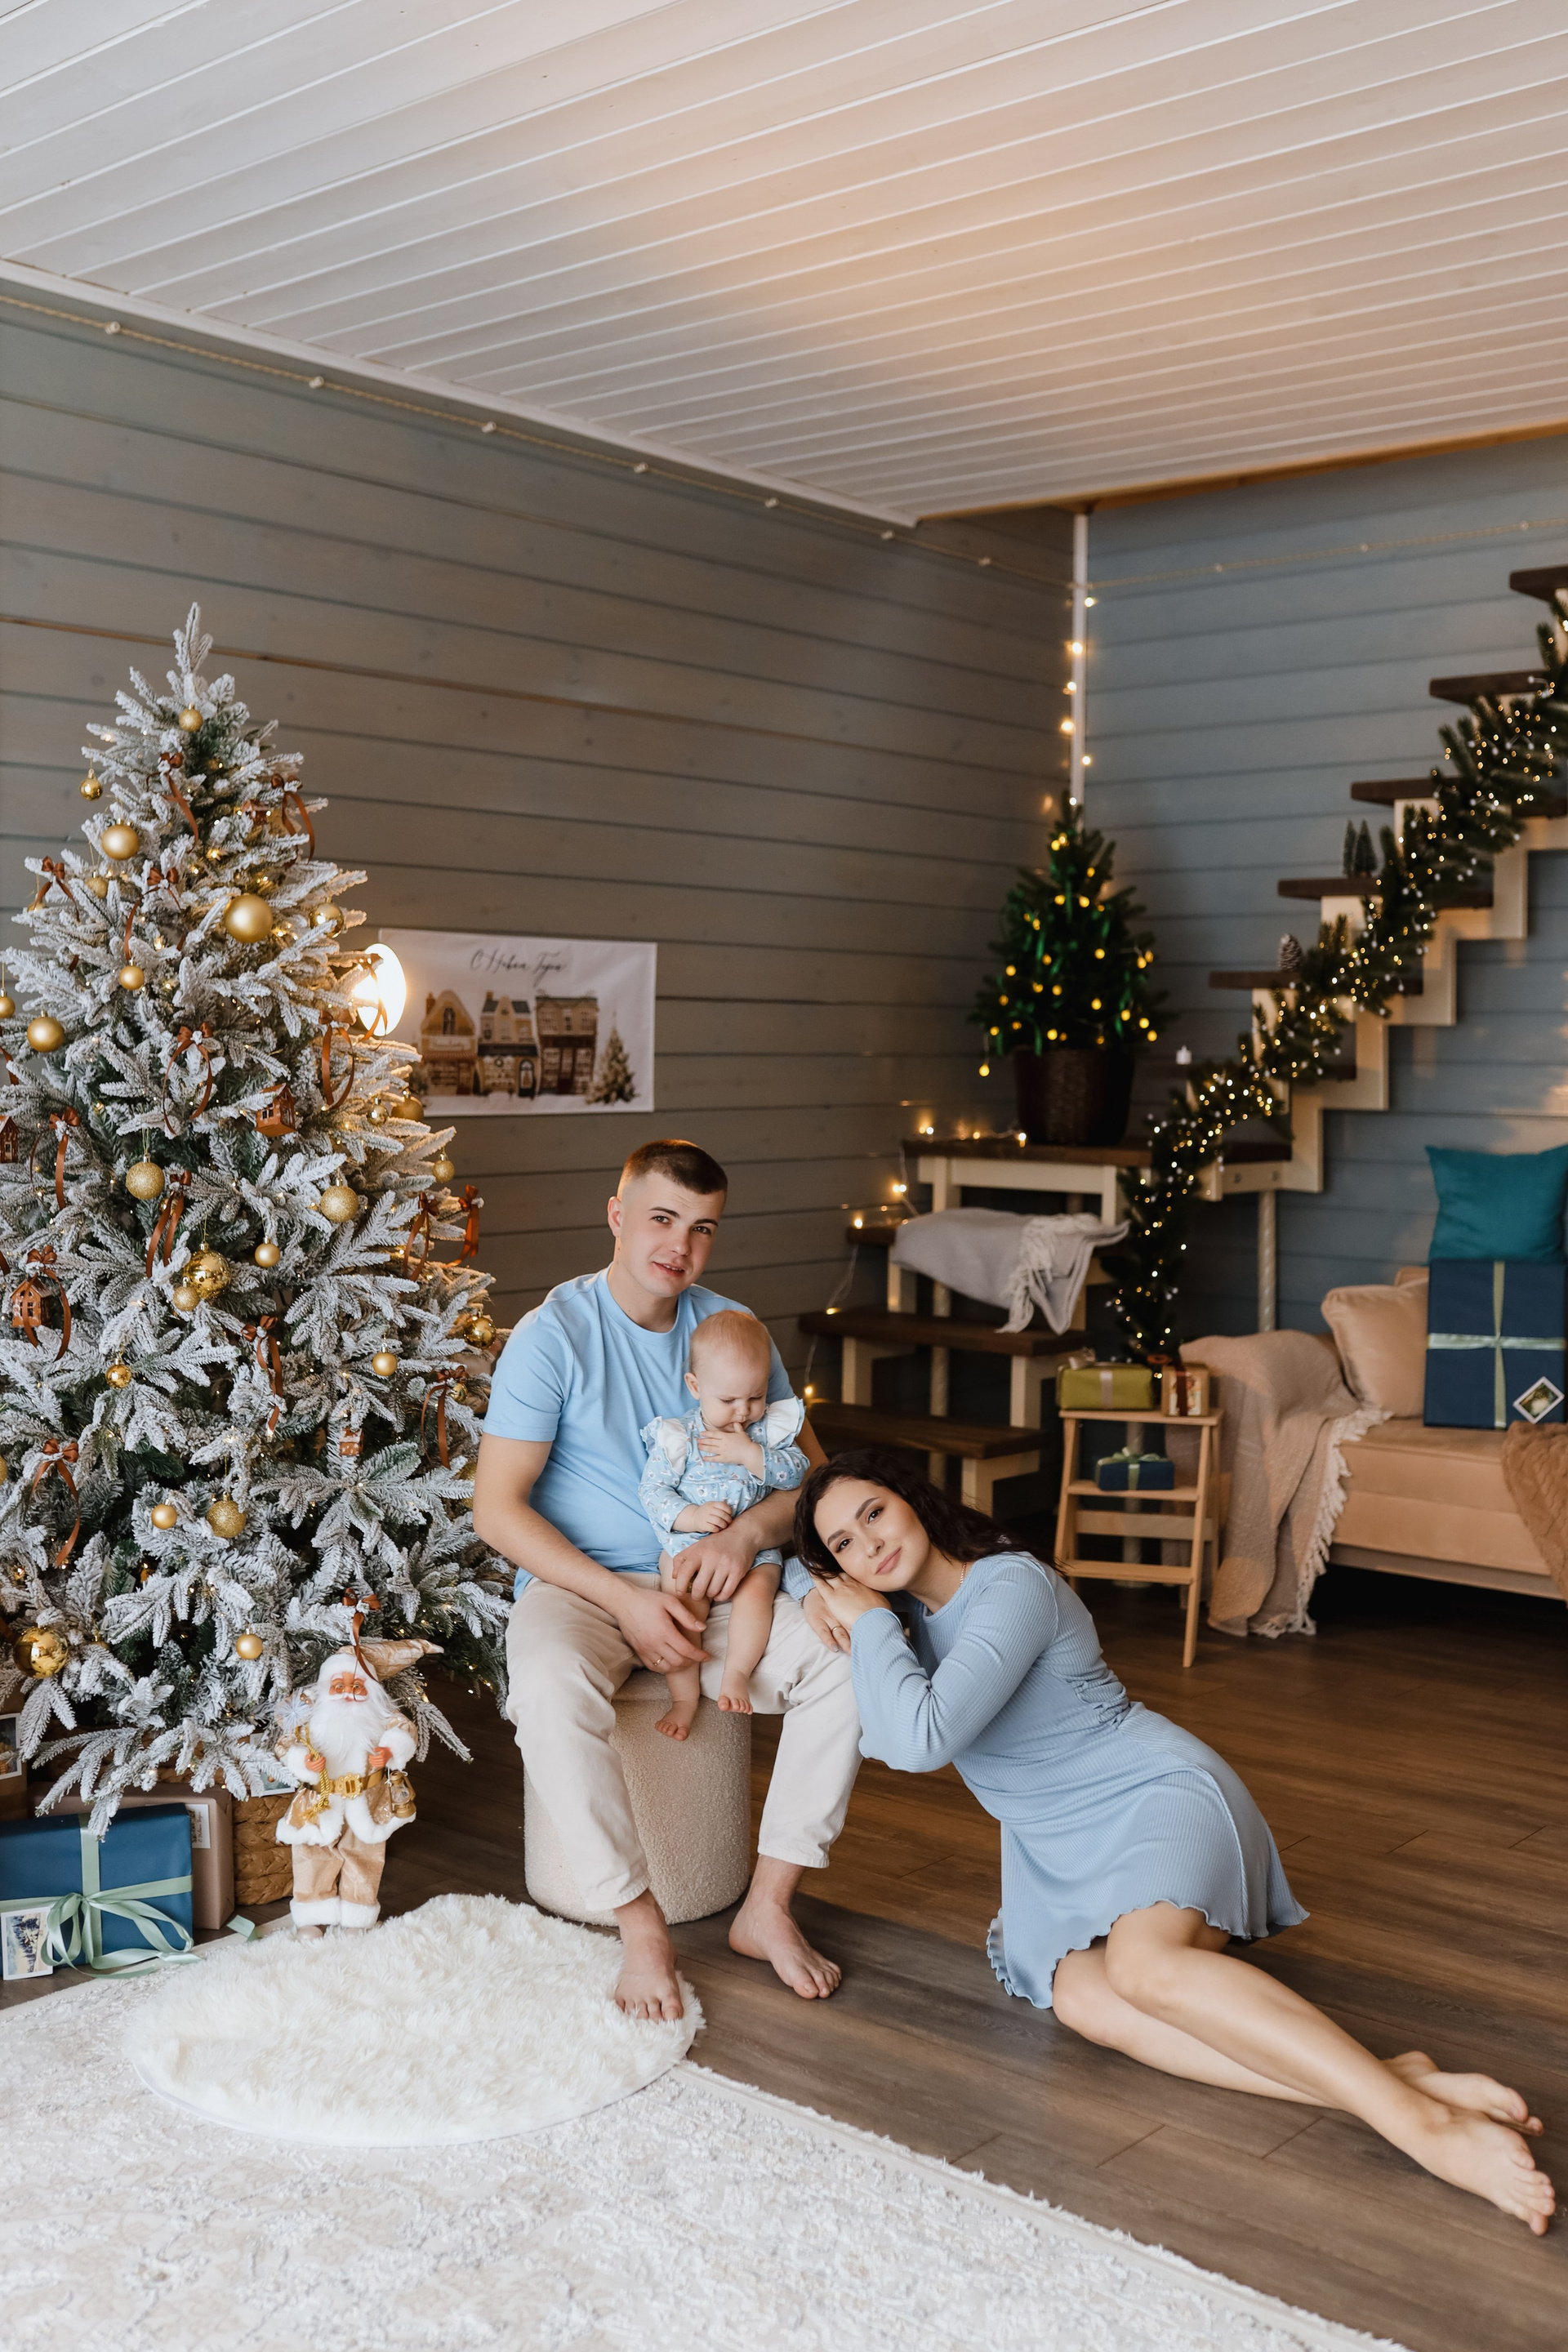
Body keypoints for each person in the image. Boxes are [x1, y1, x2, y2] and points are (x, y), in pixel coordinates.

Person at [797, 1449, 1555, 2237]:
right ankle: (1390, 2082)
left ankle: (1419, 2125)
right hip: (1053, 1851)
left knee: (1143, 1969)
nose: (869, 1543)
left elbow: (920, 1739)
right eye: (844, 1543)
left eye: (875, 1513)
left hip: (1151, 1795)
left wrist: (867, 1619)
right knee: (1087, 2001)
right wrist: (812, 1590)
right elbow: (790, 1578)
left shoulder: (1007, 1586)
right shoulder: (902, 1617)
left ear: (913, 1498)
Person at [473, 1138, 862, 2024]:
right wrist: (625, 1600)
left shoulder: (733, 1330)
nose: (679, 1246)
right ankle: (639, 1921)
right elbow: (496, 1510)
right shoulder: (552, 1336)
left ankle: (768, 1906)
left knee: (850, 1660)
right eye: (661, 1219)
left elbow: (813, 1483)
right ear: (617, 1216)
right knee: (546, 1683)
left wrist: (751, 1533)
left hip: (727, 1581)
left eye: (702, 1228)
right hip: (587, 1588)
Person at [638, 1308, 809, 1740]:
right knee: (683, 1611)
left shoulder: (767, 1434)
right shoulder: (679, 1436)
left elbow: (799, 1475)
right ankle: (684, 1698)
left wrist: (752, 1455)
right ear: (696, 1387)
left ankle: (736, 1673)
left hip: (755, 1551)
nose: (743, 1412)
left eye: (755, 1397)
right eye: (729, 1400)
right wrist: (692, 1517)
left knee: (759, 1595)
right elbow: (653, 1492)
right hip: (688, 1547)